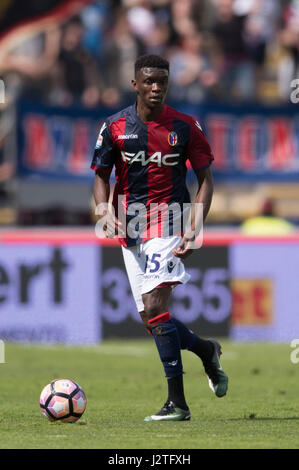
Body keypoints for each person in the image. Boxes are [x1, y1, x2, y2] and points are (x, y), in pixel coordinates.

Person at [91, 54, 228, 422]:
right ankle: (205, 350)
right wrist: (104, 212)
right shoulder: (115, 126)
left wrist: (194, 227)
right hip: (131, 226)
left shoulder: (185, 126)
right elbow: (101, 175)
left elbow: (206, 180)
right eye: (149, 81)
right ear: (135, 83)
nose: (156, 87)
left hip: (170, 221)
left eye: (162, 82)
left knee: (154, 306)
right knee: (152, 320)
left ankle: (178, 404)